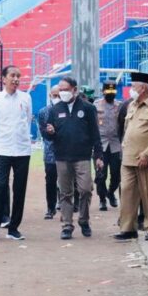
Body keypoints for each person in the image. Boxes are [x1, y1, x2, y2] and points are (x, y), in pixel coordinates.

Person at [43, 76, 103, 240]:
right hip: (62, 156)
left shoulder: (88, 108)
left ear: (75, 90)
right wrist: (49, 132)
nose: (62, 93)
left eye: (66, 90)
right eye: (60, 90)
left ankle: (84, 220)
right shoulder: (55, 110)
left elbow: (95, 134)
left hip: (82, 156)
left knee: (85, 189)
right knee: (65, 192)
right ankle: (67, 225)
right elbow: (48, 134)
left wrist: (98, 155)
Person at [114, 72, 148, 242]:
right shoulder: (132, 105)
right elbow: (126, 129)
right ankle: (128, 228)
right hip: (129, 158)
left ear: (144, 87)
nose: (131, 89)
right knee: (127, 193)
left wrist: (147, 153)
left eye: (134, 86)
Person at [0, 65, 32, 242]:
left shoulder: (26, 98)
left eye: (18, 76)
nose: (16, 79)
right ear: (4, 78)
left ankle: (13, 228)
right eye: (12, 75)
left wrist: (22, 139)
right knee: (0, 186)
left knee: (19, 189)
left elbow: (27, 120)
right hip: (3, 149)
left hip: (22, 149)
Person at [93, 81, 122, 211]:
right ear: (103, 92)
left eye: (113, 93)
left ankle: (111, 192)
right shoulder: (96, 105)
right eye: (108, 92)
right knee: (101, 175)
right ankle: (102, 199)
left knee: (117, 174)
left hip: (116, 145)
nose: (110, 95)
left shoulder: (120, 106)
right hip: (101, 145)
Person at [38, 85, 61, 219]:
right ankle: (50, 207)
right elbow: (43, 132)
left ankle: (65, 205)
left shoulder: (68, 110)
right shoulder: (43, 112)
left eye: (59, 95)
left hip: (66, 151)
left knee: (67, 180)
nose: (56, 98)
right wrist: (50, 133)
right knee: (50, 180)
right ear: (50, 96)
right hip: (50, 152)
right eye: (54, 95)